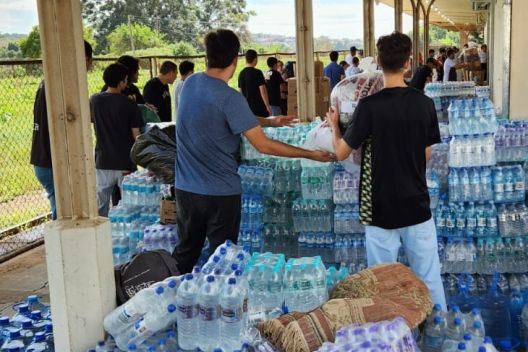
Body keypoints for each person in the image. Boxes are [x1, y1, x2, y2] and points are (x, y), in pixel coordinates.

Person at [173, 29, 335, 273]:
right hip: (220, 194)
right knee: (223, 259)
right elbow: (263, 145)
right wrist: (309, 154)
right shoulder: (229, 97)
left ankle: (175, 299)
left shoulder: (191, 83)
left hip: (186, 189)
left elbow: (228, 117)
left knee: (186, 253)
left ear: (207, 57)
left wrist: (270, 121)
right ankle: (220, 305)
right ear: (235, 59)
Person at [326, 31, 446, 308]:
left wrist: (334, 125)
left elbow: (342, 151)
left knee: (382, 282)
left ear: (378, 62)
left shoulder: (368, 107)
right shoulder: (424, 104)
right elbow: (425, 154)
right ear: (409, 63)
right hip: (416, 203)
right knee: (429, 277)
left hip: (379, 208)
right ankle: (437, 335)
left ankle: (391, 343)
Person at [31, 40, 93, 220]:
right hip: (52, 162)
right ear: (84, 58)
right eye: (89, 62)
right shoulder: (64, 85)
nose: (89, 66)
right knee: (65, 216)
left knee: (63, 211)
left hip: (43, 159)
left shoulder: (50, 80)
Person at [90, 63, 144, 217]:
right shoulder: (129, 105)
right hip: (125, 162)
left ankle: (101, 235)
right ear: (122, 82)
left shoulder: (95, 100)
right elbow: (137, 135)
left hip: (103, 161)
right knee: (130, 205)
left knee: (101, 204)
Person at [238, 49, 272, 117]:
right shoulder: (258, 72)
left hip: (248, 108)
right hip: (259, 108)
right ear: (255, 59)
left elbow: (240, 93)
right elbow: (263, 92)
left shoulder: (241, 73)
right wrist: (267, 106)